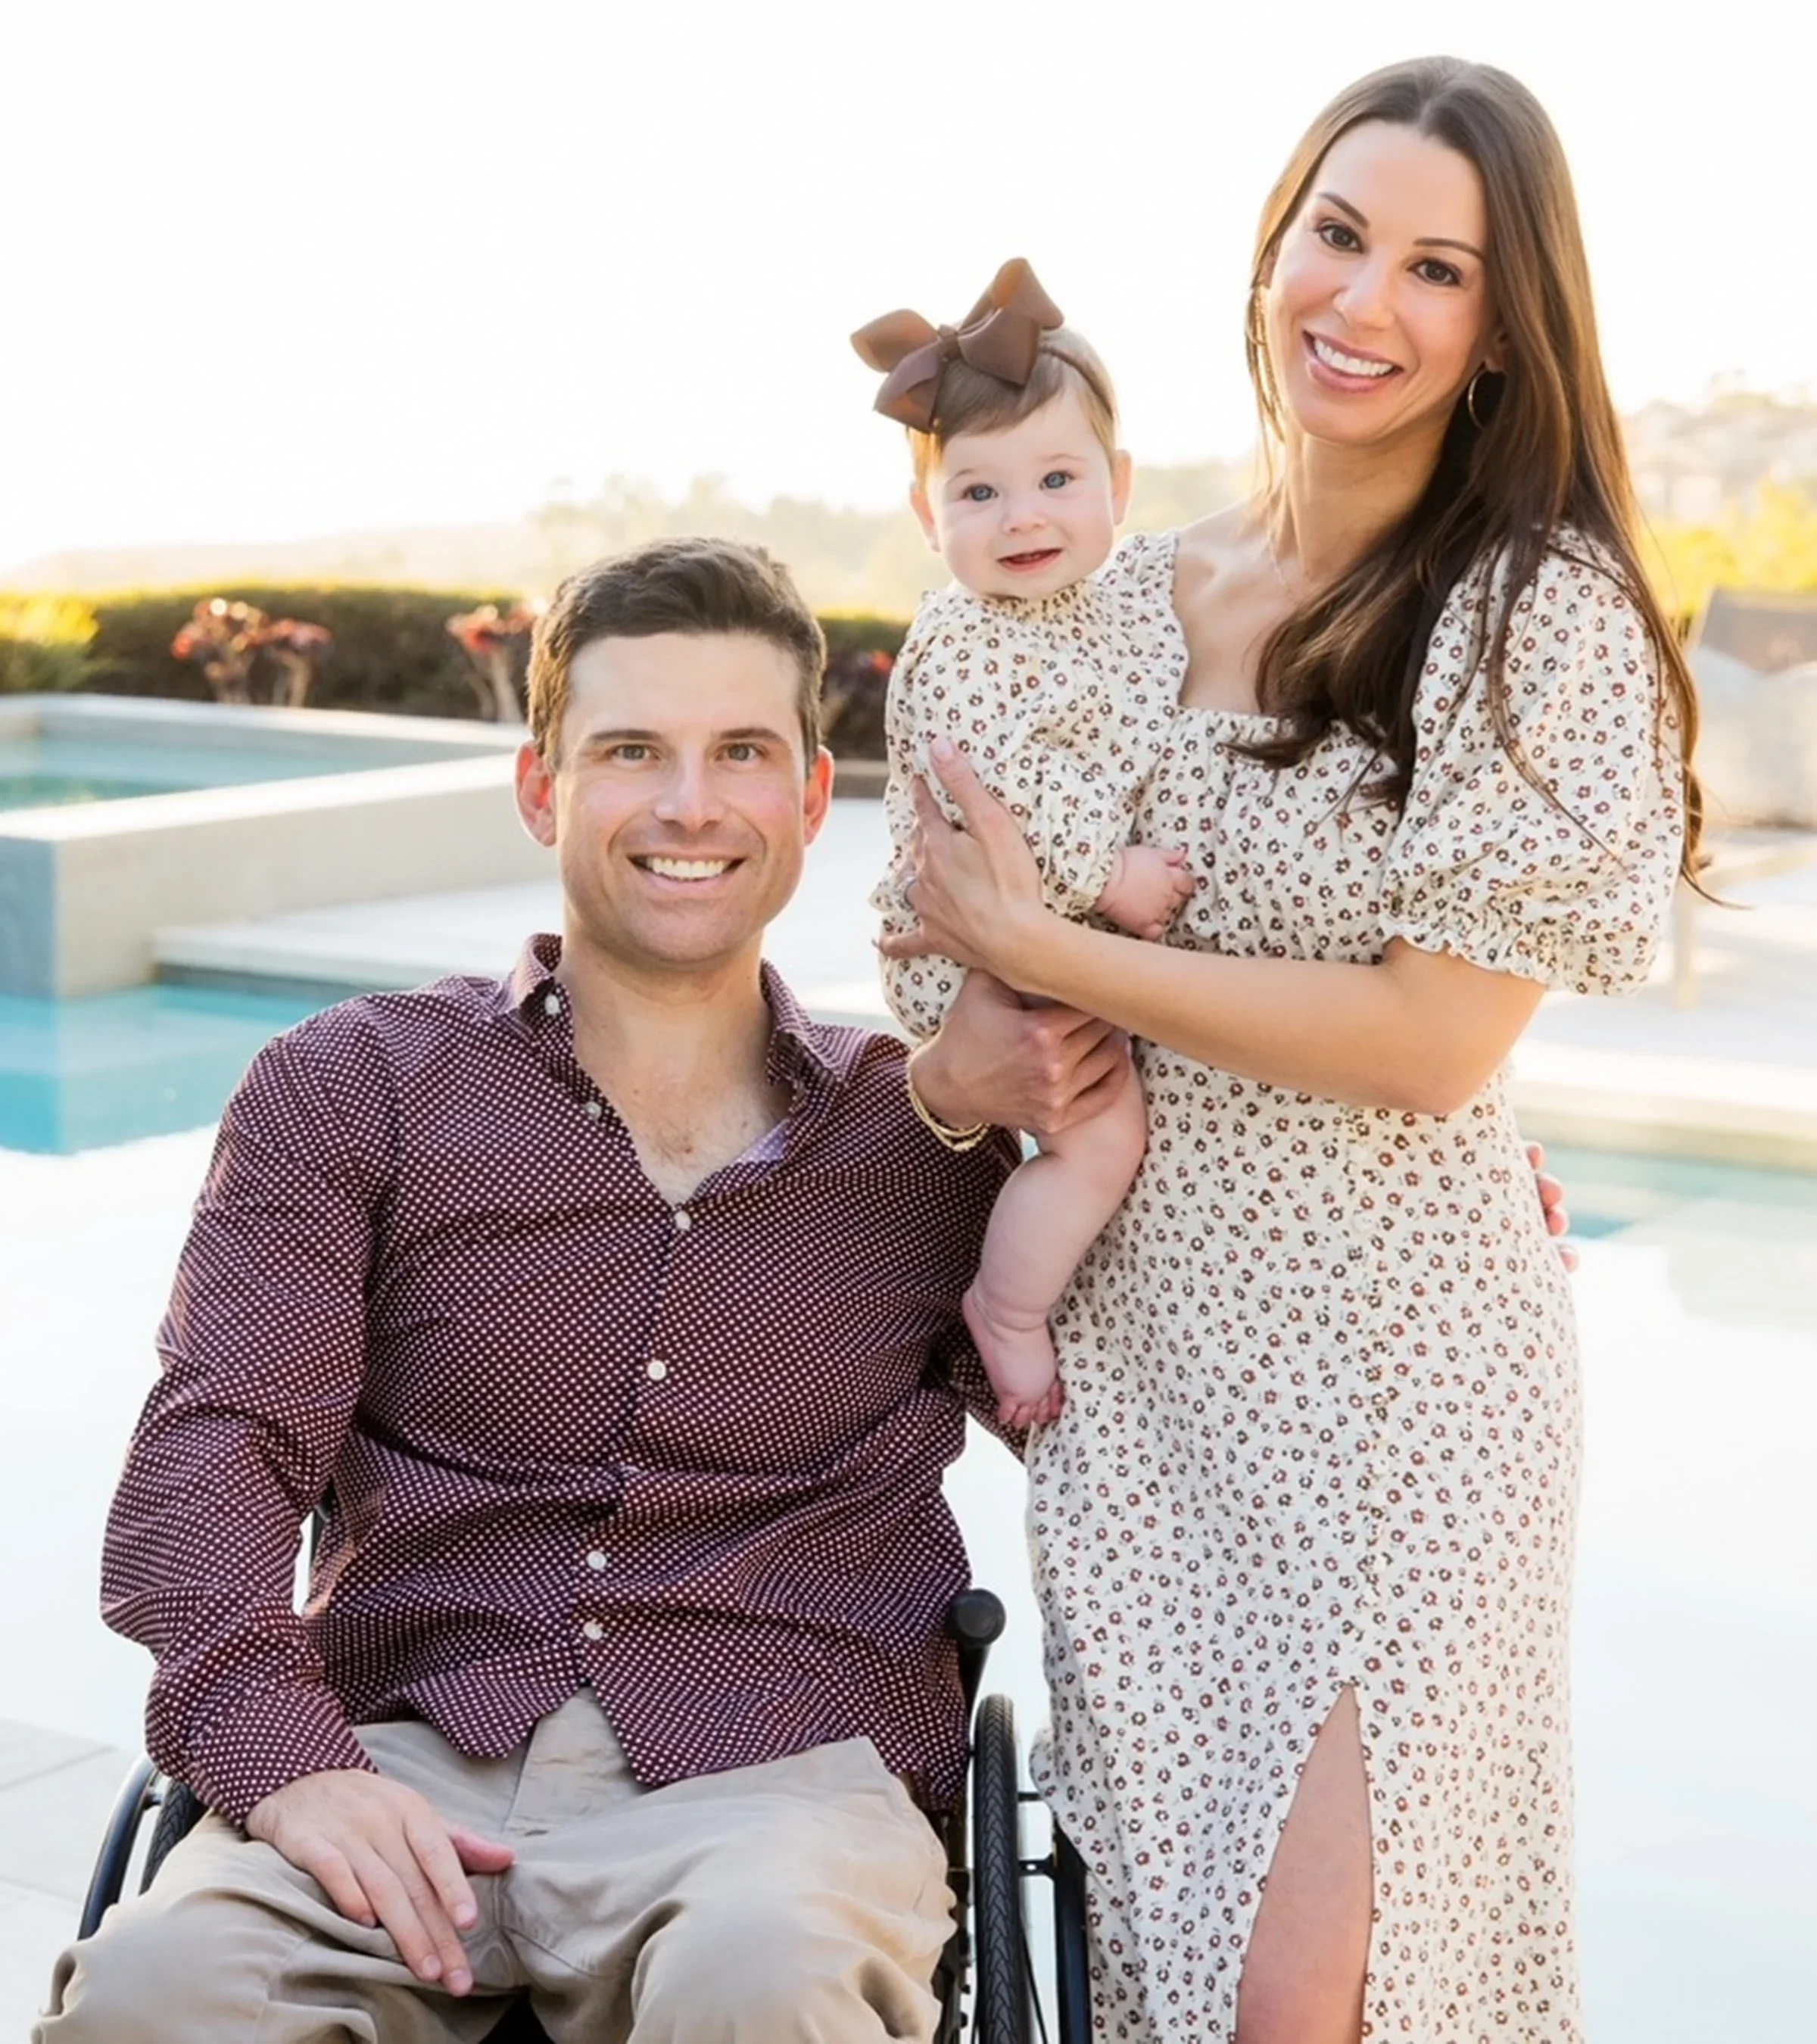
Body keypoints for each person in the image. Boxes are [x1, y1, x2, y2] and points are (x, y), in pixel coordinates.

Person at [884, 55, 1698, 2044]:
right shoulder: (1108, 591)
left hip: (1402, 1381)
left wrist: (1052, 948)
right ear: (1273, 248)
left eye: (1440, 269)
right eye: (1339, 236)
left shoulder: (1530, 613)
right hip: (1146, 1382)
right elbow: (937, 972)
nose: (1366, 301)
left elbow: (1432, 1043)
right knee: (1166, 1962)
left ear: (1506, 332)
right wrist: (975, 1023)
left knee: (1314, 1989)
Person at [37, 536, 1077, 2044]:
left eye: (740, 752)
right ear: (542, 787)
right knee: (154, 1995)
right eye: (630, 751)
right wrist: (285, 1758)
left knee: (768, 1982)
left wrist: (1403, 1179)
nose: (688, 803)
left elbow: (1133, 1407)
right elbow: (221, 1451)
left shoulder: (929, 1138)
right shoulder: (353, 1089)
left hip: (775, 1787)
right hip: (400, 1757)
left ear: (807, 796)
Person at [852, 256, 1194, 1429]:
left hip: (1037, 932)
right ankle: (1006, 1309)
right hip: (976, 944)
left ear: (1119, 485)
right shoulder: (967, 638)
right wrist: (1111, 876)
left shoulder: (1112, 606)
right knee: (1102, 1139)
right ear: (927, 519)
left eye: (1057, 478)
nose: (1026, 517)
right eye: (980, 495)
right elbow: (999, 799)